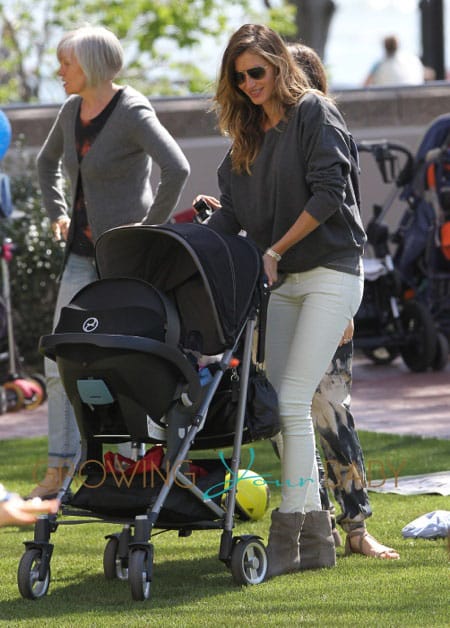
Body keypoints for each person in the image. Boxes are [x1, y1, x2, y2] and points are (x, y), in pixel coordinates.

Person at [202, 23, 366, 579]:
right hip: (283, 280)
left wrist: (273, 248)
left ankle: (290, 535)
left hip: (330, 272)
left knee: (295, 400)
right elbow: (232, 213)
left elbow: (330, 193)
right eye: (238, 75)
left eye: (257, 72)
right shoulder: (246, 137)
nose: (249, 83)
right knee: (282, 410)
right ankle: (315, 543)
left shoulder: (314, 112)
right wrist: (183, 237)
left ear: (278, 66)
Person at [29, 24, 190, 499]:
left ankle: (143, 462)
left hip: (123, 260)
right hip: (80, 256)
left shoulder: (132, 111)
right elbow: (45, 164)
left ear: (92, 66)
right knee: (60, 356)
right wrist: (59, 213)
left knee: (126, 362)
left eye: (67, 63)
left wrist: (147, 230)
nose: (60, 71)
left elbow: (176, 168)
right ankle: (61, 467)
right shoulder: (70, 110)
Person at [287, 42, 400, 561]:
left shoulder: (328, 132)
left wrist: (347, 308)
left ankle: (356, 527)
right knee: (287, 413)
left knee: (331, 411)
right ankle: (318, 523)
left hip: (330, 288)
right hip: (287, 295)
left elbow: (347, 223)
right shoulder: (269, 143)